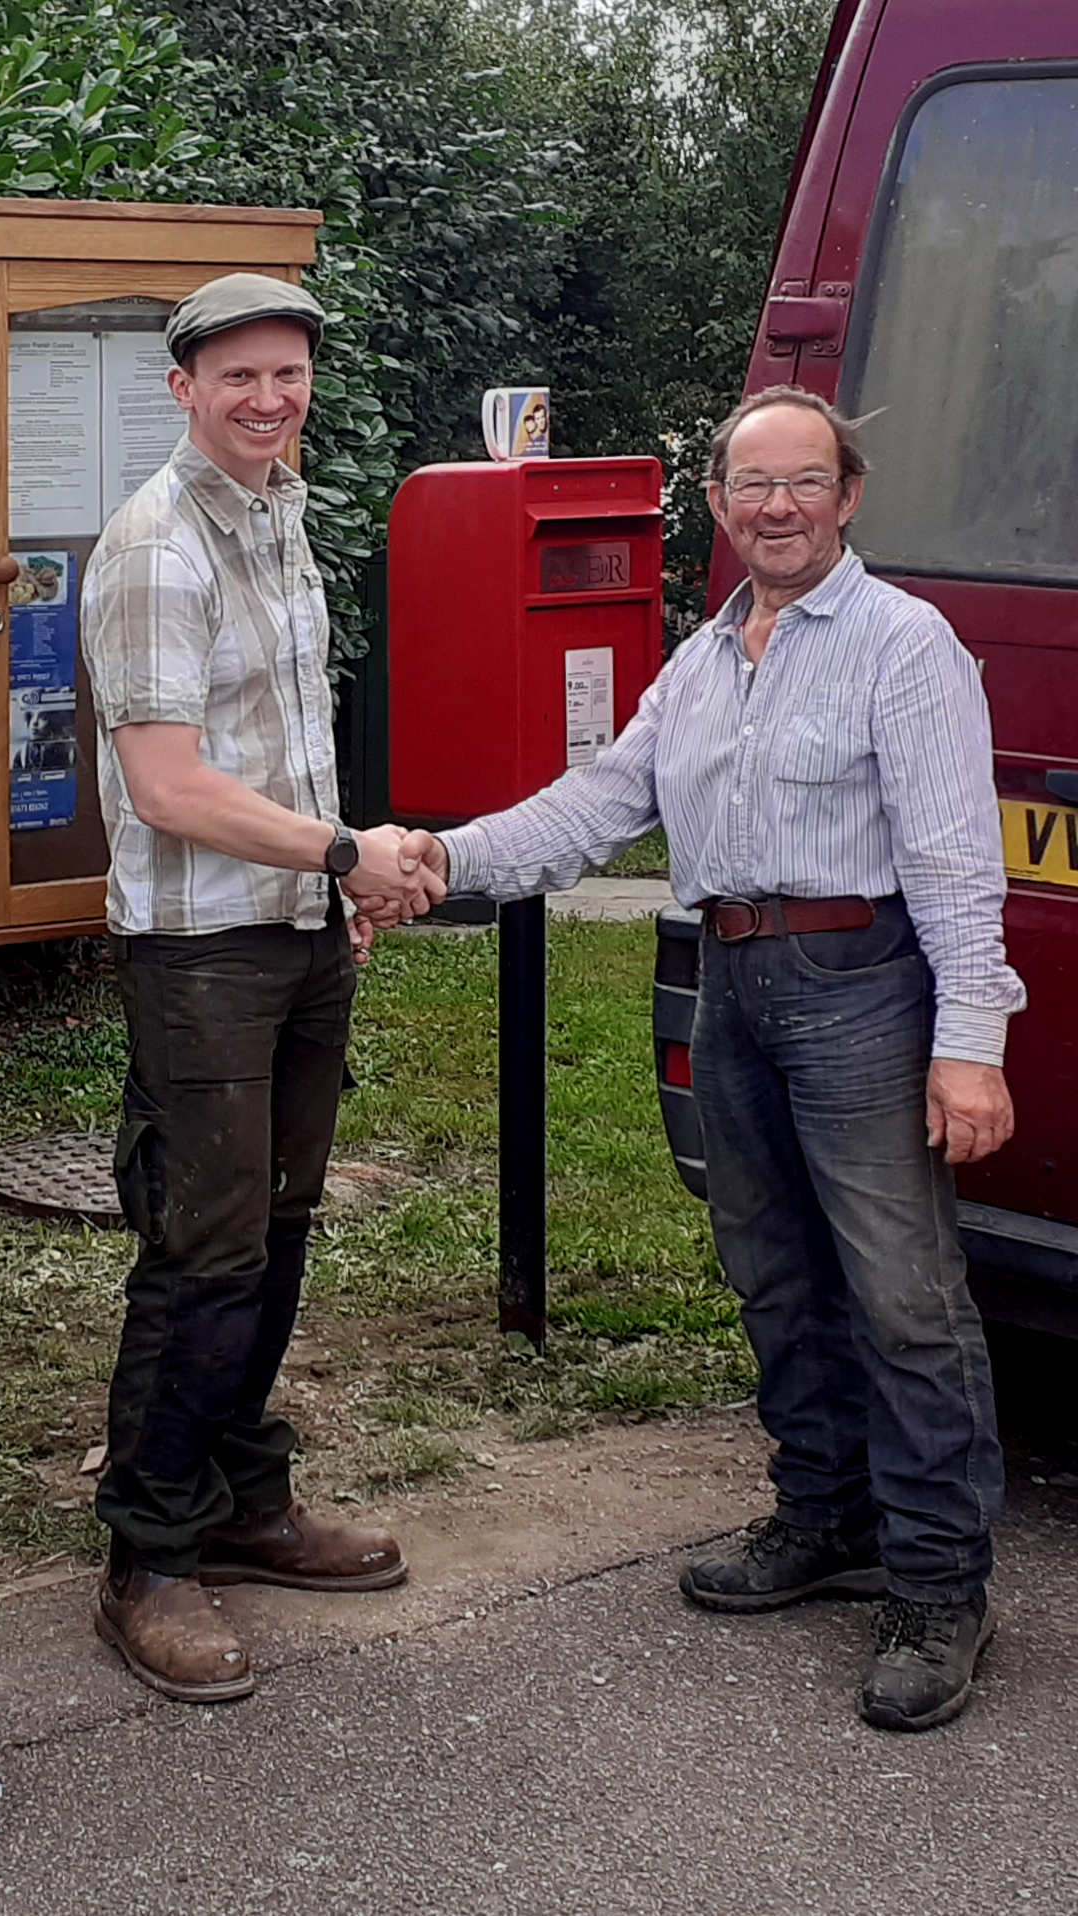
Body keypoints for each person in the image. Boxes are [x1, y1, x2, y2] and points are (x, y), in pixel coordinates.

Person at [384, 387, 1023, 1734]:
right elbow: (599, 804)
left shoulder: (908, 648)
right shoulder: (705, 657)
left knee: (905, 1297)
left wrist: (971, 1046)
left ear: (847, 498)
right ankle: (825, 1519)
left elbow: (960, 862)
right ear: (721, 509)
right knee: (774, 1273)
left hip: (861, 986)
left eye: (803, 483)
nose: (775, 508)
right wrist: (447, 861)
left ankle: (936, 1586)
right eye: (750, 486)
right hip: (730, 979)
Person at [80, 272, 444, 1704]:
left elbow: (283, 743)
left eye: (288, 376)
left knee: (279, 1225)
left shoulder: (283, 519)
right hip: (201, 956)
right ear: (182, 387)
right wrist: (352, 853)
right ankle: (146, 1560)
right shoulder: (158, 547)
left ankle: (241, 1495)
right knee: (205, 1246)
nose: (269, 401)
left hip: (292, 934)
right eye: (240, 378)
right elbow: (168, 787)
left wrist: (330, 884)